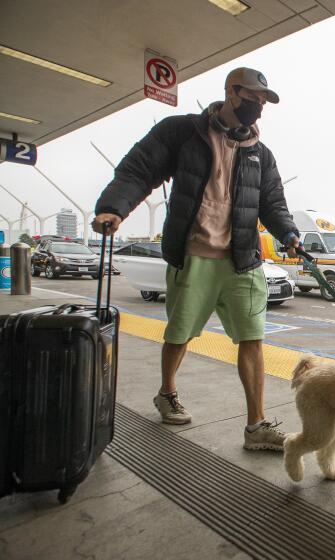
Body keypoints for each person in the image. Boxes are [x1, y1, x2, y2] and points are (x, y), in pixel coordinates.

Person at [93, 67, 300, 452]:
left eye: (263, 101)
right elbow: (140, 168)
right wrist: (114, 207)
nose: (259, 106)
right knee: (180, 333)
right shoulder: (182, 132)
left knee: (253, 339)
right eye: (253, 97)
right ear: (232, 92)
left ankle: (256, 425)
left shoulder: (260, 154)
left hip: (243, 259)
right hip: (193, 254)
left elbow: (272, 202)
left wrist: (288, 233)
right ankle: (166, 392)